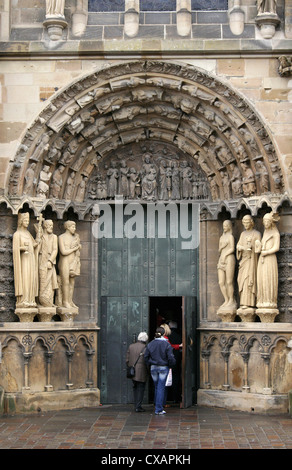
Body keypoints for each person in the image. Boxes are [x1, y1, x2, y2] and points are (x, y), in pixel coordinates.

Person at [144, 327, 176, 415]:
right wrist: (171, 365)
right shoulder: (166, 344)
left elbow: (146, 356)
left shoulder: (150, 344)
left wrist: (149, 363)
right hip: (163, 367)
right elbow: (171, 357)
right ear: (163, 333)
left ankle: (157, 405)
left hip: (153, 367)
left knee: (156, 387)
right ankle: (158, 409)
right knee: (161, 387)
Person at [13, 212, 40, 308]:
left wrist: (38, 239)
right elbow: (15, 249)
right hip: (23, 261)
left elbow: (33, 245)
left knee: (31, 279)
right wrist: (22, 248)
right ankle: (23, 300)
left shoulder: (28, 233)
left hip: (31, 259)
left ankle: (30, 299)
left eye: (28, 220)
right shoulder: (17, 234)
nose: (27, 222)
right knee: (25, 279)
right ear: (20, 221)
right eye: (25, 220)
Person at [256, 212, 280, 309]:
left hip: (270, 259)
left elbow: (276, 247)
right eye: (264, 221)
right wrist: (258, 245)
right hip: (262, 259)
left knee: (268, 278)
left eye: (267, 221)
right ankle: (262, 300)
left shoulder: (275, 233)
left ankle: (269, 301)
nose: (265, 223)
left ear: (271, 222)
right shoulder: (265, 233)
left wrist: (267, 252)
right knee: (262, 279)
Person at [236, 215, 261, 309]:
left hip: (252, 260)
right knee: (241, 280)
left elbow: (259, 246)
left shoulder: (257, 233)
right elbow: (238, 246)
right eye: (244, 223)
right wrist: (241, 248)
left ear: (251, 222)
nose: (246, 224)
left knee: (249, 280)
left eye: (247, 222)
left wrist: (254, 246)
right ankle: (243, 302)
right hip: (244, 260)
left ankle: (250, 303)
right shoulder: (242, 234)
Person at [58, 220, 81, 308]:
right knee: (65, 282)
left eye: (75, 227)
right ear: (67, 227)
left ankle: (70, 301)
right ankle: (65, 302)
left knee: (72, 282)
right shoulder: (61, 237)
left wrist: (78, 247)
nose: (74, 229)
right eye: (73, 227)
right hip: (64, 262)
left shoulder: (75, 237)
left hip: (73, 263)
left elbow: (79, 247)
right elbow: (63, 252)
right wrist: (74, 249)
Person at [126, 332, 149, 412]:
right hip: (141, 371)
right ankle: (138, 406)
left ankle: (136, 404)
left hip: (133, 370)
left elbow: (127, 359)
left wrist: (131, 366)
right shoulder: (145, 347)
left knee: (135, 387)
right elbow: (146, 360)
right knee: (141, 388)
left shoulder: (131, 346)